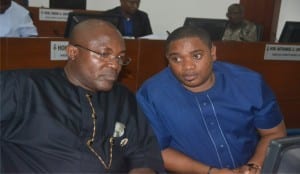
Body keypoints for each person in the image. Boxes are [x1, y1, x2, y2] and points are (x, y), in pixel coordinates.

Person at [0, 19, 164, 173]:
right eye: (104, 54)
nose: (114, 65)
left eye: (120, 57)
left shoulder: (122, 98)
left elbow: (143, 157)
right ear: (73, 52)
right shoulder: (22, 87)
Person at [136, 25, 286, 174]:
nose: (188, 66)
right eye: (176, 59)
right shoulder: (151, 94)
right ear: (168, 60)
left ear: (213, 53)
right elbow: (156, 151)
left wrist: (254, 166)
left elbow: (274, 133)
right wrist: (211, 172)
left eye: (197, 56)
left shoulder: (249, 82)